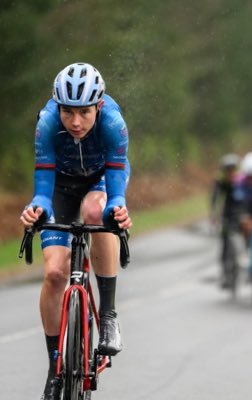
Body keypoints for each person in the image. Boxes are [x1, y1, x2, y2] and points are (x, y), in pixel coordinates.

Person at [19, 62, 132, 400]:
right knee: (55, 273)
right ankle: (56, 370)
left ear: (98, 105)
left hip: (101, 179)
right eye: (68, 112)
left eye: (84, 112)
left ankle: (108, 314)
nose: (76, 122)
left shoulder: (113, 123)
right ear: (58, 107)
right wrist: (35, 209)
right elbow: (42, 185)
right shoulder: (47, 123)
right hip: (60, 186)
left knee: (97, 211)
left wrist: (117, 210)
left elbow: (115, 190)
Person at [209, 154, 241, 288]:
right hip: (227, 216)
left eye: (232, 169)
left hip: (241, 215)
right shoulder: (220, 182)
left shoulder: (241, 181)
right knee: (225, 242)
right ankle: (225, 272)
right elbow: (215, 199)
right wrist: (214, 216)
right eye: (227, 170)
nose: (230, 173)